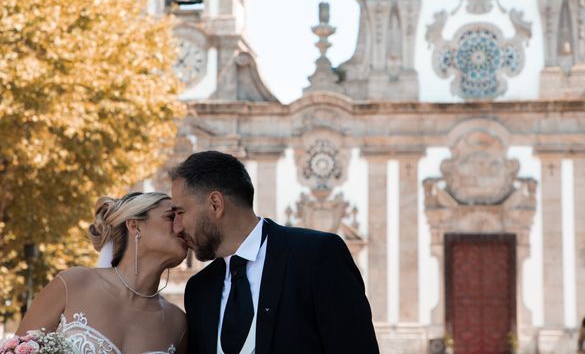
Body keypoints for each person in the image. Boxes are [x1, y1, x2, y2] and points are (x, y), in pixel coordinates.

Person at [170, 150, 379, 354]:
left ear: (216, 204)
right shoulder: (199, 290)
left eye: (180, 212)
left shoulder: (317, 257)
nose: (177, 227)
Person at [18, 192, 188, 354]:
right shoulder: (73, 285)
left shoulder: (177, 323)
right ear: (135, 225)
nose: (181, 226)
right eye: (171, 217)